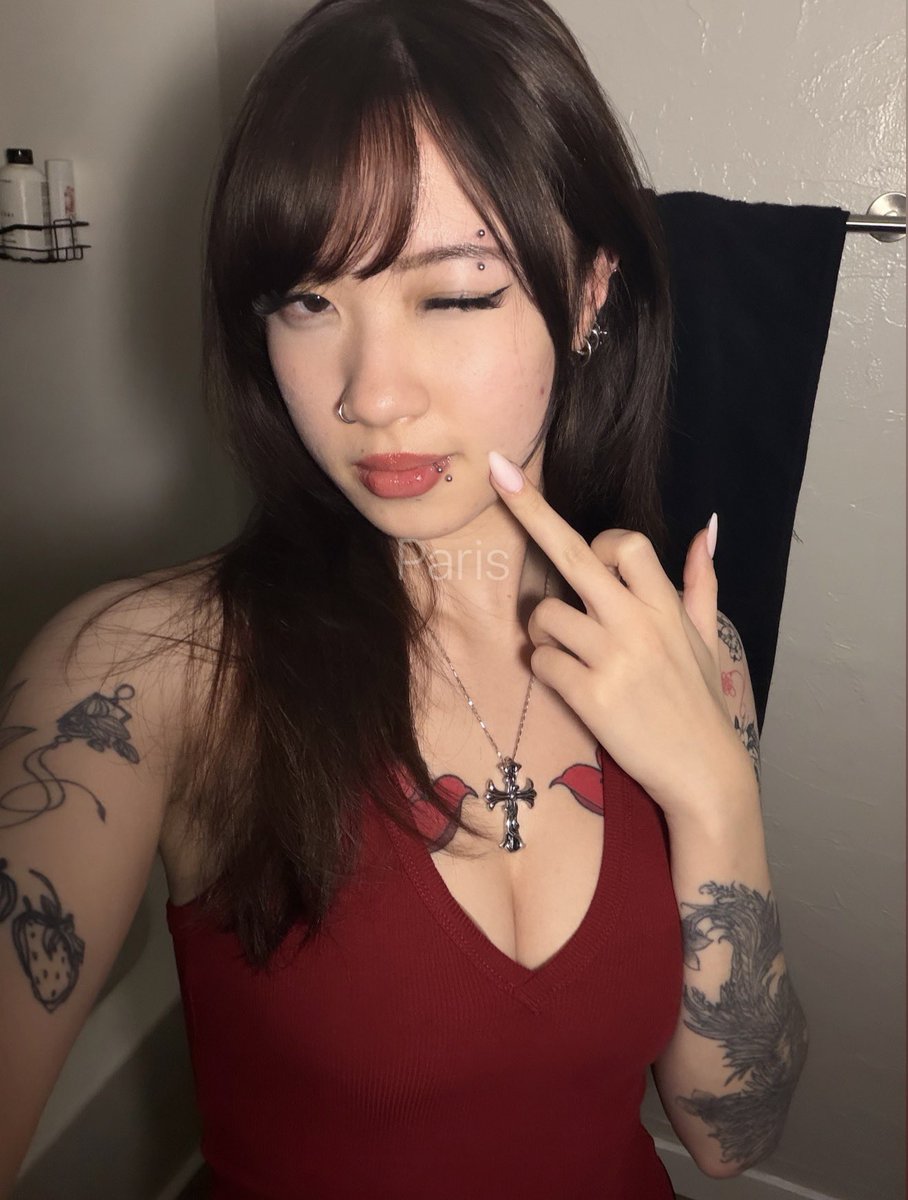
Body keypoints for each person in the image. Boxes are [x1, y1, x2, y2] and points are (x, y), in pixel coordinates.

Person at [0, 0, 808, 1195]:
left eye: (456, 294)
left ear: (590, 293)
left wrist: (713, 796)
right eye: (307, 302)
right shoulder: (144, 675)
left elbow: (732, 1139)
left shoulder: (692, 653)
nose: (369, 394)